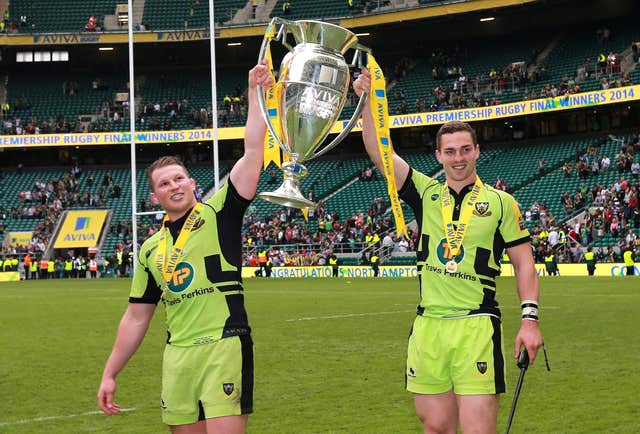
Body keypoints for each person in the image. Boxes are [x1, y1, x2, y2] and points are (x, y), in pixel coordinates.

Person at [353, 69, 543, 434]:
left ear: (477, 151)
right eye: (450, 151)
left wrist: (530, 320)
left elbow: (524, 264)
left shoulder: (501, 203)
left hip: (476, 325)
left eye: (466, 150)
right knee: (436, 426)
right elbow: (380, 152)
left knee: (477, 429)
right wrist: (364, 103)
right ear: (438, 155)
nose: (459, 158)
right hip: (428, 328)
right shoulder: (425, 194)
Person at [97, 61, 273, 433]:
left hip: (224, 345)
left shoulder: (220, 212)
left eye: (179, 178)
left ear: (192, 183)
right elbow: (136, 316)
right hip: (177, 354)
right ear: (154, 196)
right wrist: (110, 373)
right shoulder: (149, 250)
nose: (174, 186)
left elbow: (254, 150)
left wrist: (254, 94)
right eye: (165, 183)